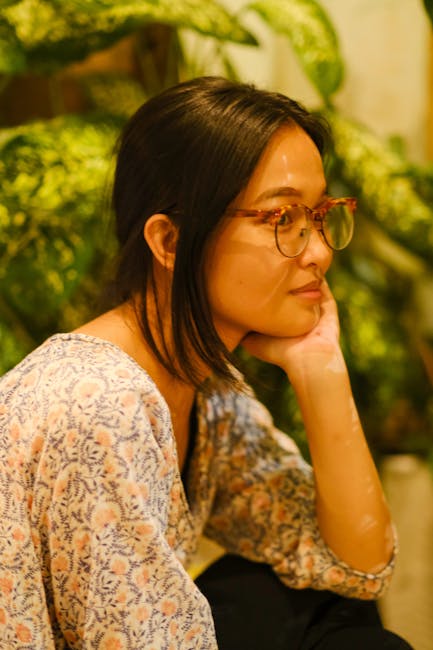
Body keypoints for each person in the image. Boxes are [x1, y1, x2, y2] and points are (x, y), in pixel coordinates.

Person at [0, 76, 411, 649]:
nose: (318, 251)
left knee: (333, 612)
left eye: (319, 215)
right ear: (169, 241)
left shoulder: (210, 397)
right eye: (282, 219)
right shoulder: (99, 404)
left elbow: (357, 566)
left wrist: (321, 368)